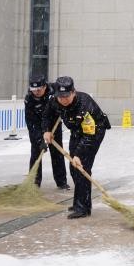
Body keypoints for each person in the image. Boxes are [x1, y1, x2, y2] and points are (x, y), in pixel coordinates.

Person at [42, 76, 111, 218]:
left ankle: (83, 208)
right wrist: (47, 130)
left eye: (67, 96)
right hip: (77, 131)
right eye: (60, 97)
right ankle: (79, 202)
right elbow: (47, 115)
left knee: (82, 167)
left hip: (94, 131)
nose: (63, 100)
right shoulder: (54, 101)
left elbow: (89, 135)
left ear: (73, 92)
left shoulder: (85, 105)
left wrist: (79, 154)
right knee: (74, 169)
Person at [24, 74, 69, 190]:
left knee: (57, 153)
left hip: (53, 124)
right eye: (33, 89)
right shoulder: (29, 99)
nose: (36, 92)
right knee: (36, 153)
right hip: (37, 125)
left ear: (45, 86)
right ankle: (34, 183)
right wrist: (39, 140)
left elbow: (67, 92)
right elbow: (31, 122)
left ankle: (61, 182)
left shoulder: (54, 90)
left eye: (39, 89)